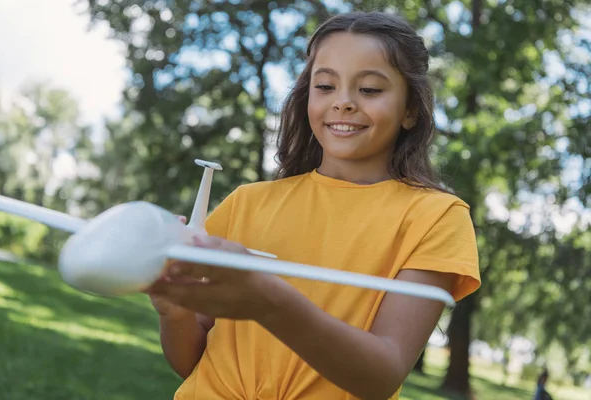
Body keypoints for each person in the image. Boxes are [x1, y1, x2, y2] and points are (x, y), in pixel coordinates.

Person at [145, 11, 481, 400]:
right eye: (325, 85)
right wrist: (175, 311)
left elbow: (382, 375)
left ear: (410, 110)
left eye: (370, 89)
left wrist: (268, 301)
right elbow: (192, 361)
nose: (343, 103)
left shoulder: (436, 218)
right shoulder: (247, 204)